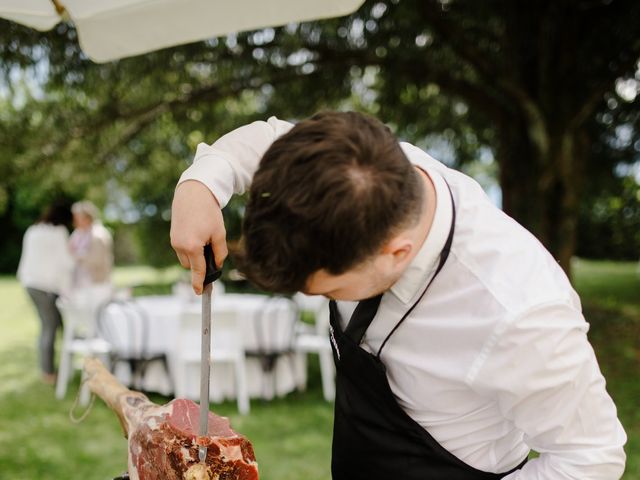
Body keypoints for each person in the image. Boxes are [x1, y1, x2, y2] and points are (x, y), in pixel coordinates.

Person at [170, 111, 626, 479]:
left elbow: (591, 458)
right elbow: (270, 138)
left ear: (397, 252)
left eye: (328, 290)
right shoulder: (358, 167)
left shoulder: (520, 312)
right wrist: (201, 184)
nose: (319, 301)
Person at [17, 201, 75, 384]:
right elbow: (66, 263)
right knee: (50, 328)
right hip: (46, 287)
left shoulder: (33, 230)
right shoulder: (58, 233)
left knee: (52, 325)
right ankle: (49, 372)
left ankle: (57, 367)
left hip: (30, 283)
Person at [68, 201, 114, 323]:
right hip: (80, 283)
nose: (75, 221)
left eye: (77, 218)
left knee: (99, 317)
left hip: (97, 282)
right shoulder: (77, 234)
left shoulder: (99, 234)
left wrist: (78, 257)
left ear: (87, 218)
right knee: (86, 319)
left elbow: (98, 259)